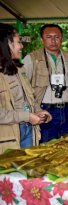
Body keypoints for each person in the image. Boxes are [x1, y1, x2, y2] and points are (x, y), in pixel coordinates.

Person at [23, 24, 68, 143]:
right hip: (45, 111)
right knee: (46, 149)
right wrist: (35, 109)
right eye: (49, 37)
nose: (53, 41)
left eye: (57, 37)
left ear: (62, 38)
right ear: (42, 39)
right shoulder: (32, 58)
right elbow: (24, 87)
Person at [0, 23, 52, 152]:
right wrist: (27, 116)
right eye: (18, 42)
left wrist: (38, 111)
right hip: (8, 135)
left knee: (28, 169)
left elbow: (29, 98)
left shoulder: (19, 69)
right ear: (6, 45)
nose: (21, 46)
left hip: (28, 130)